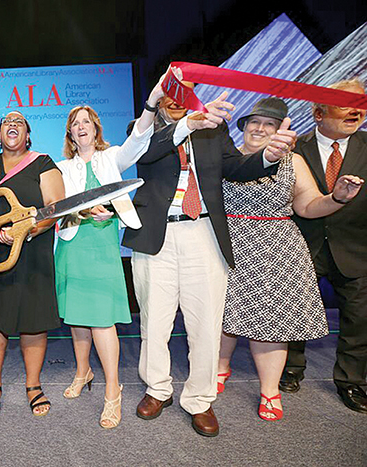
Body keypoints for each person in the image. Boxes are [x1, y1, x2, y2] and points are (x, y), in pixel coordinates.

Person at [122, 86, 297, 437]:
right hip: (157, 235)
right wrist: (188, 124)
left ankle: (200, 400)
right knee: (154, 322)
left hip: (204, 234)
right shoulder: (141, 130)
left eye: (183, 94)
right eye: (169, 93)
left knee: (205, 323)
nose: (175, 100)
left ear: (191, 97)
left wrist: (268, 157)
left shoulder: (213, 130)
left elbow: (236, 167)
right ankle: (157, 389)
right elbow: (146, 154)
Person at [216, 97, 363, 421]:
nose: (260, 128)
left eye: (269, 124)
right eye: (255, 121)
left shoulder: (292, 162)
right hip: (228, 244)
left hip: (276, 250)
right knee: (222, 314)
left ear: (281, 131)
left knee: (270, 324)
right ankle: (220, 368)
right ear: (244, 126)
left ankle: (270, 390)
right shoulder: (226, 157)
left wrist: (337, 197)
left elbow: (308, 206)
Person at [54, 77, 167, 429]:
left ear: (96, 128)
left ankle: (113, 391)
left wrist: (150, 106)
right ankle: (83, 372)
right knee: (76, 318)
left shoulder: (111, 157)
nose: (81, 127)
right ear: (70, 135)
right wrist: (77, 213)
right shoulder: (61, 168)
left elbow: (138, 140)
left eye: (86, 121)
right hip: (71, 246)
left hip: (101, 247)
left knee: (102, 320)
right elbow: (57, 208)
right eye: (75, 124)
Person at [0, 110, 65, 418]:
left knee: (33, 317)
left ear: (28, 134)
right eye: (7, 122)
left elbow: (54, 209)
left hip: (31, 252)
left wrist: (24, 231)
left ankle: (33, 385)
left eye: (19, 123)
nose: (13, 125)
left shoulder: (43, 163)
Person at [281, 79, 367, 414]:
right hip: (303, 245)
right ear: (318, 112)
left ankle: (352, 382)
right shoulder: (293, 148)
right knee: (294, 313)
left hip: (357, 248)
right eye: (345, 101)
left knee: (358, 319)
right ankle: (290, 368)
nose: (356, 109)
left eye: (360, 101)